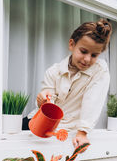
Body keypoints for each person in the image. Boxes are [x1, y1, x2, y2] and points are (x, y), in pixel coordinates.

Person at [28, 19, 112, 147]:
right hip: (35, 125)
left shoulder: (100, 70)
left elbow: (92, 101)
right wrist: (42, 100)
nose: (87, 59)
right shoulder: (53, 71)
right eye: (83, 51)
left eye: (94, 55)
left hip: (64, 132)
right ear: (72, 44)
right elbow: (48, 103)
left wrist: (82, 132)